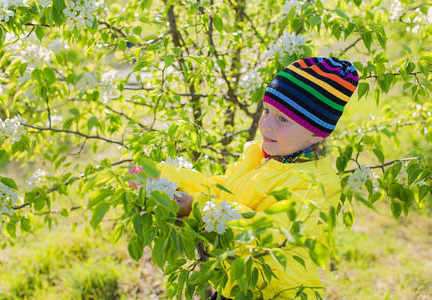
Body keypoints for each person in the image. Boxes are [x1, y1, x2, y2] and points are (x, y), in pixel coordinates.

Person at [134, 57, 359, 299]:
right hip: (236, 285)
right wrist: (164, 176)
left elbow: (265, 235)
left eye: (283, 119)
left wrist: (197, 208)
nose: (266, 125)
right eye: (266, 111)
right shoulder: (259, 154)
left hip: (273, 293)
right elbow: (218, 189)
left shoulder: (317, 184)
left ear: (315, 133)